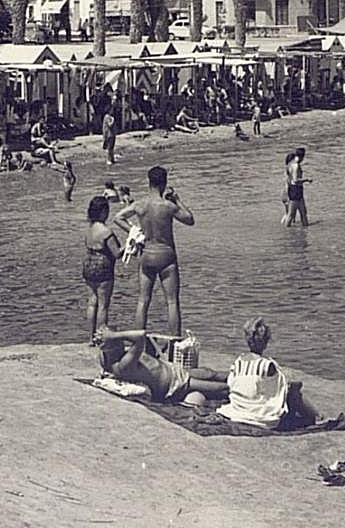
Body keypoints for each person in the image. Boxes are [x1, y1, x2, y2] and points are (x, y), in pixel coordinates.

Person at [113, 166, 194, 336]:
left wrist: (133, 231)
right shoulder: (168, 206)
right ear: (164, 183)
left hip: (147, 254)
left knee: (143, 300)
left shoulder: (140, 204)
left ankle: (138, 342)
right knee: (171, 302)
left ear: (149, 182)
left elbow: (117, 217)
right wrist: (177, 199)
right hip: (166, 255)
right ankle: (174, 343)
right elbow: (189, 219)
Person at [217, 317, 322, 430]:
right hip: (261, 417)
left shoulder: (238, 362)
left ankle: (317, 416)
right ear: (265, 342)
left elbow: (232, 384)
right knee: (294, 391)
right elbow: (279, 392)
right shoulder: (267, 365)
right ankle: (318, 417)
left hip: (237, 410)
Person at [94, 326, 228, 403]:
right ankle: (244, 389)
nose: (123, 342)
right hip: (174, 385)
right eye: (118, 340)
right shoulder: (121, 366)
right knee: (221, 389)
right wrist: (113, 335)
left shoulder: (110, 353)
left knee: (210, 373)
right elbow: (141, 335)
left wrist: (106, 334)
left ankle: (243, 375)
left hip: (174, 370)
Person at [81, 196, 120, 337]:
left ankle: (90, 337)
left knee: (92, 302)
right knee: (103, 305)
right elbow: (116, 253)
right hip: (103, 267)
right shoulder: (106, 232)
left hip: (88, 265)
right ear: (103, 212)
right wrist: (131, 245)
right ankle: (101, 337)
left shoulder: (88, 229)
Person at [282, 146, 310, 227]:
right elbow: (295, 180)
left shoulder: (290, 163)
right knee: (291, 214)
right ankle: (287, 232)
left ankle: (305, 231)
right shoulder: (296, 166)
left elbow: (288, 178)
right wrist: (306, 180)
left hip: (294, 189)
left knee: (303, 212)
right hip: (295, 190)